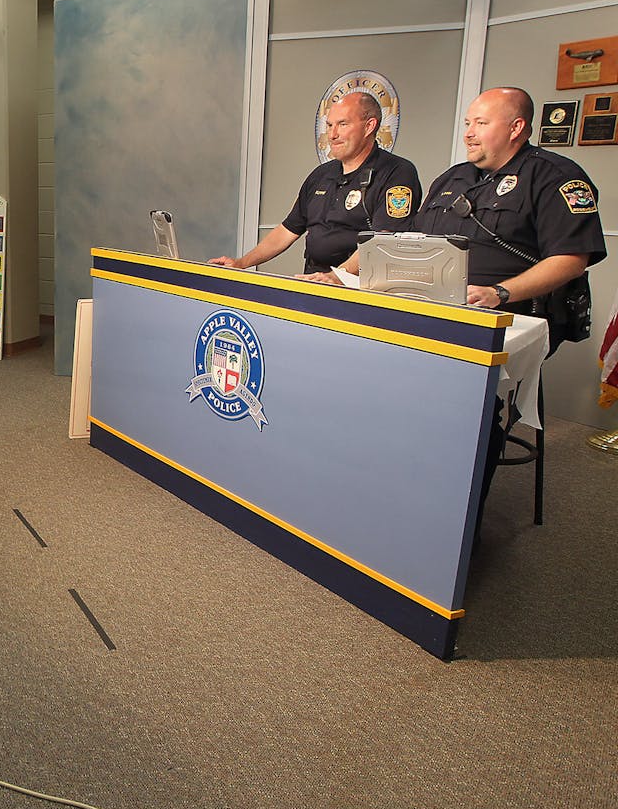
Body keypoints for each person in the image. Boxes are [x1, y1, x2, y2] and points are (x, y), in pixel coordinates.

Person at [412, 86, 603, 515]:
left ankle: (454, 525)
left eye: (481, 123)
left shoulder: (555, 177)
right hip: (439, 310)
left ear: (516, 127)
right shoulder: (452, 179)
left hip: (514, 316)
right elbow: (418, 245)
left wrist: (500, 293)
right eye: (467, 123)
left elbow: (573, 259)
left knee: (467, 408)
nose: (469, 133)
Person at [208, 91, 422, 274]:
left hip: (360, 293)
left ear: (369, 127)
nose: (332, 134)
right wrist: (241, 263)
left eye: (342, 124)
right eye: (329, 125)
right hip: (314, 283)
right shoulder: (321, 175)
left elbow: (384, 240)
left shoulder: (397, 172)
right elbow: (287, 230)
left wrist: (337, 277)